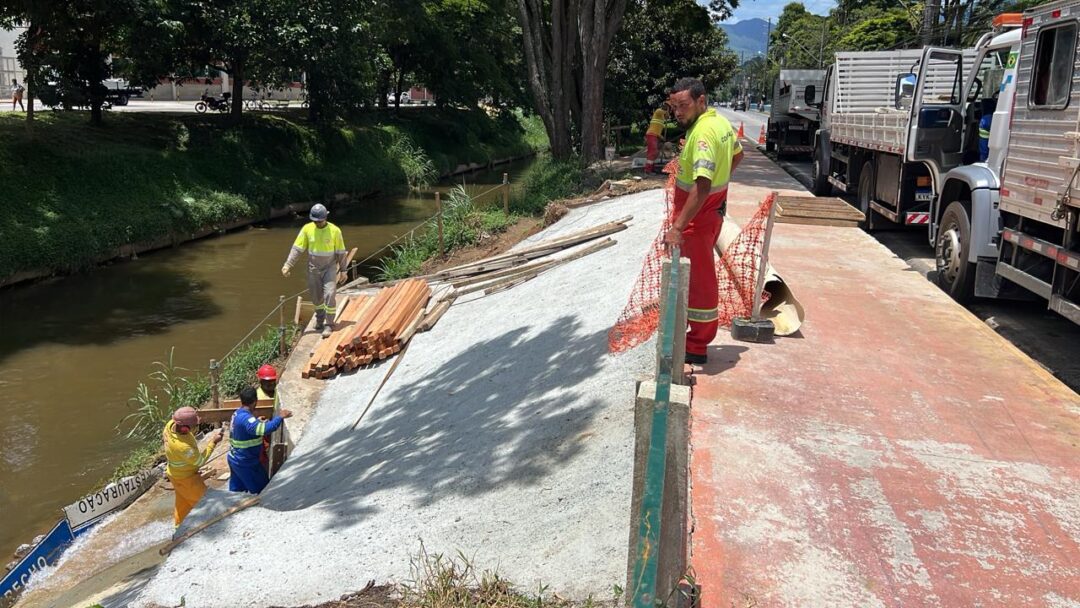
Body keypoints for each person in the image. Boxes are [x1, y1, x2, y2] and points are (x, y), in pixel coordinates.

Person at [664, 77, 743, 365]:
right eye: (674, 107)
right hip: (710, 212)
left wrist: (677, 227)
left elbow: (702, 185)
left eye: (683, 106)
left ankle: (697, 343)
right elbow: (738, 155)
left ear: (701, 100)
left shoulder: (703, 135)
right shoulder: (719, 124)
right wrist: (719, 192)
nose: (678, 113)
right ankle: (696, 335)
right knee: (699, 276)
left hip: (697, 219)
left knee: (699, 281)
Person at [282, 204, 347, 338]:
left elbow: (341, 252)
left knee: (330, 294)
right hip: (313, 268)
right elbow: (297, 248)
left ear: (325, 217)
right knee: (316, 296)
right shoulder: (307, 229)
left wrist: (344, 270)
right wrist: (288, 264)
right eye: (315, 221)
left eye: (320, 221)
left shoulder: (335, 231)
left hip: (329, 267)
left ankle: (329, 324)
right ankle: (319, 319)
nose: (317, 223)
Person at [163, 407, 223, 526]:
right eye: (194, 426)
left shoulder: (169, 426)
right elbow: (199, 461)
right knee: (207, 503)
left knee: (183, 505)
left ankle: (179, 528)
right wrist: (213, 442)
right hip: (187, 480)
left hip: (175, 475)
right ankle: (213, 527)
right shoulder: (182, 446)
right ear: (185, 428)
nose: (195, 428)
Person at [227, 387, 292, 494]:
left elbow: (247, 429)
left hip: (235, 458)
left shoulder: (237, 413)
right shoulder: (247, 419)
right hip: (246, 462)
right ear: (255, 401)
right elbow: (266, 429)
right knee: (263, 491)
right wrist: (280, 417)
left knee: (236, 492)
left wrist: (257, 422)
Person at [645, 104, 672, 173]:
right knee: (653, 151)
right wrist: (668, 109)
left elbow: (667, 117)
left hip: (655, 135)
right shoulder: (658, 111)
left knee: (655, 152)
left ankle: (651, 168)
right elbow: (667, 114)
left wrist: (661, 137)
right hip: (651, 134)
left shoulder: (662, 117)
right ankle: (648, 170)